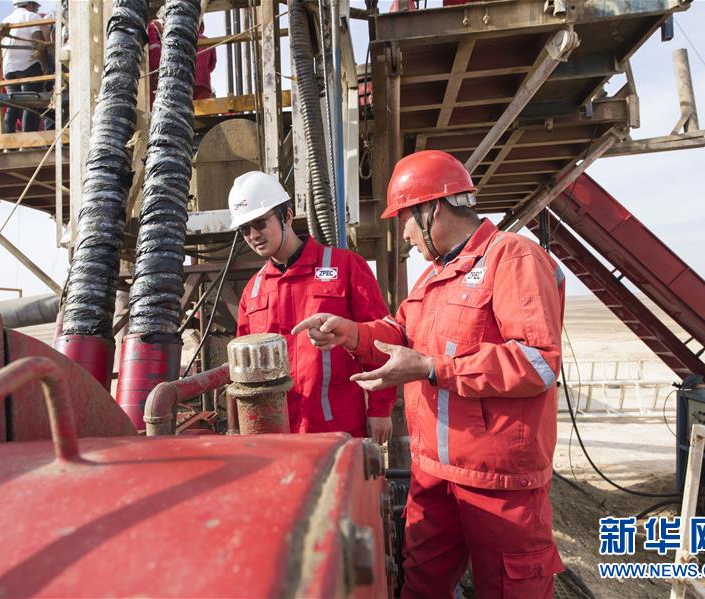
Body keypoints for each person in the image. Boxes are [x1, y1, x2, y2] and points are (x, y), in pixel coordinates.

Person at [292, 150, 566, 597]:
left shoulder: (513, 258)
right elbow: (401, 331)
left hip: (497, 481)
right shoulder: (435, 276)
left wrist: (432, 368)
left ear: (433, 209)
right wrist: (352, 333)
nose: (403, 233)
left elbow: (537, 362)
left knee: (510, 589)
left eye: (405, 218)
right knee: (420, 586)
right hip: (433, 474)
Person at [230, 171, 395, 444]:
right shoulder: (253, 291)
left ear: (286, 216)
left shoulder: (345, 266)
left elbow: (380, 340)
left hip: (338, 428)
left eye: (259, 223)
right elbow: (244, 371)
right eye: (244, 229)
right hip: (278, 434)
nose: (253, 235)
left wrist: (380, 409)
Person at [1, 0, 48, 133]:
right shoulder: (31, 17)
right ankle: (28, 137)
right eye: (36, 7)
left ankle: (8, 139)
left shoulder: (5, 21)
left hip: (9, 69)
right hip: (28, 66)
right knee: (31, 103)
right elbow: (38, 45)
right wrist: (45, 67)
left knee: (13, 104)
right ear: (30, 4)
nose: (36, 10)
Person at [148, 20, 216, 106]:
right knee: (203, 111)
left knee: (183, 107)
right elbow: (212, 64)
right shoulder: (207, 41)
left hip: (184, 81)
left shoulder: (180, 40)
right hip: (203, 83)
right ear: (202, 27)